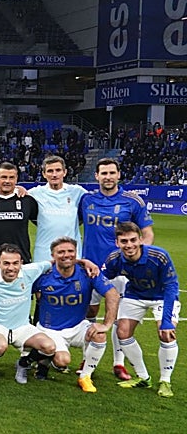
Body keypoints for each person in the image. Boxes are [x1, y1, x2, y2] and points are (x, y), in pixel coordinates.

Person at [79, 157, 155, 380]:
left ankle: (118, 363)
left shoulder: (133, 201)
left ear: (119, 175)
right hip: (91, 267)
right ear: (97, 176)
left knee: (120, 316)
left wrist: (136, 256)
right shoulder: (86, 200)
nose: (108, 177)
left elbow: (147, 233)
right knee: (90, 313)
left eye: (112, 173)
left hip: (122, 270)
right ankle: (87, 357)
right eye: (104, 173)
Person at [32, 236, 119, 393]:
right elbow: (22, 290)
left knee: (99, 335)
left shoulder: (88, 272)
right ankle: (43, 358)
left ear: (76, 253)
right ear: (52, 255)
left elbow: (112, 294)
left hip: (78, 326)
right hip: (50, 329)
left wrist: (106, 324)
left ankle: (85, 377)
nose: (67, 255)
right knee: (62, 361)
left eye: (70, 251)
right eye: (61, 252)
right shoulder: (43, 274)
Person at [104, 222, 179, 397]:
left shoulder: (159, 256)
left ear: (141, 240)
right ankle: (143, 377)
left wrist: (167, 321)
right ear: (117, 242)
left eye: (132, 240)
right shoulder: (114, 258)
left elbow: (171, 287)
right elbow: (102, 279)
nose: (129, 245)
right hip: (135, 295)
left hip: (161, 296)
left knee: (166, 333)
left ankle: (165, 381)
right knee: (122, 332)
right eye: (124, 241)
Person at [0, 243, 61, 385]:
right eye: (6, 263)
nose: (11, 268)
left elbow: (55, 261)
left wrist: (85, 262)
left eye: (15, 263)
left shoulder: (30, 271)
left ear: (21, 263)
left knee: (49, 347)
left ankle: (23, 363)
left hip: (22, 327)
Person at [0, 162, 38, 271]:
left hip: (21, 262)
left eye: (11, 177)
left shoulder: (27, 201)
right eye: (3, 177)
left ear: (16, 179)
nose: (7, 181)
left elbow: (42, 224)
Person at [27, 155, 87, 262]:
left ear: (65, 172)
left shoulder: (77, 192)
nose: (54, 174)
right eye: (50, 171)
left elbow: (98, 199)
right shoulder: (35, 193)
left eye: (58, 170)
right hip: (44, 254)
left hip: (71, 254)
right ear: (44, 174)